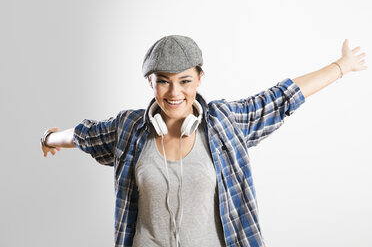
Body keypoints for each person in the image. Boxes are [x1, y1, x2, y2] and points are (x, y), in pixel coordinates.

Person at [40, 35, 367, 247]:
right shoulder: (128, 128)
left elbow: (282, 97)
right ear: (150, 83)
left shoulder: (225, 122)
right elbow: (84, 134)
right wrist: (50, 137)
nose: (174, 93)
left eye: (184, 80)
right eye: (163, 82)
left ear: (199, 78)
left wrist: (342, 66)